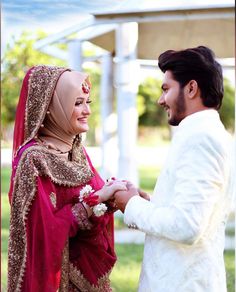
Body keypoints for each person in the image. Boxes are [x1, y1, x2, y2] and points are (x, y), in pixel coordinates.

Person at [114, 46, 232, 292]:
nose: (160, 100)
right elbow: (196, 212)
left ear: (191, 88)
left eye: (166, 89)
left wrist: (132, 206)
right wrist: (148, 203)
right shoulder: (202, 132)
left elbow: (187, 225)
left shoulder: (201, 138)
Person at [7, 65, 127, 291]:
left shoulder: (76, 150)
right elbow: (42, 234)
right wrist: (96, 200)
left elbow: (97, 204)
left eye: (87, 102)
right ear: (51, 107)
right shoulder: (34, 160)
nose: (87, 111)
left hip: (90, 280)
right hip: (58, 282)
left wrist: (116, 194)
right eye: (77, 103)